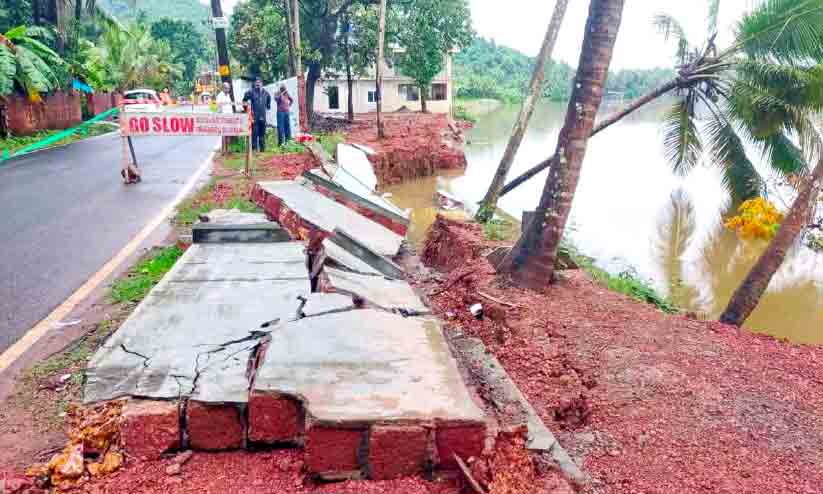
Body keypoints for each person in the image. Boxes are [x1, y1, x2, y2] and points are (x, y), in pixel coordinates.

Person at [242, 77, 271, 152]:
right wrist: (247, 110)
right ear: (254, 83)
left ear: (262, 83)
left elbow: (268, 105)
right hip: (254, 117)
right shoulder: (251, 92)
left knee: (262, 134)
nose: (258, 84)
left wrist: (267, 110)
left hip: (263, 117)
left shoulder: (266, 93)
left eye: (259, 82)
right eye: (256, 82)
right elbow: (244, 101)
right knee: (254, 133)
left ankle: (262, 150)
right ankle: (254, 149)